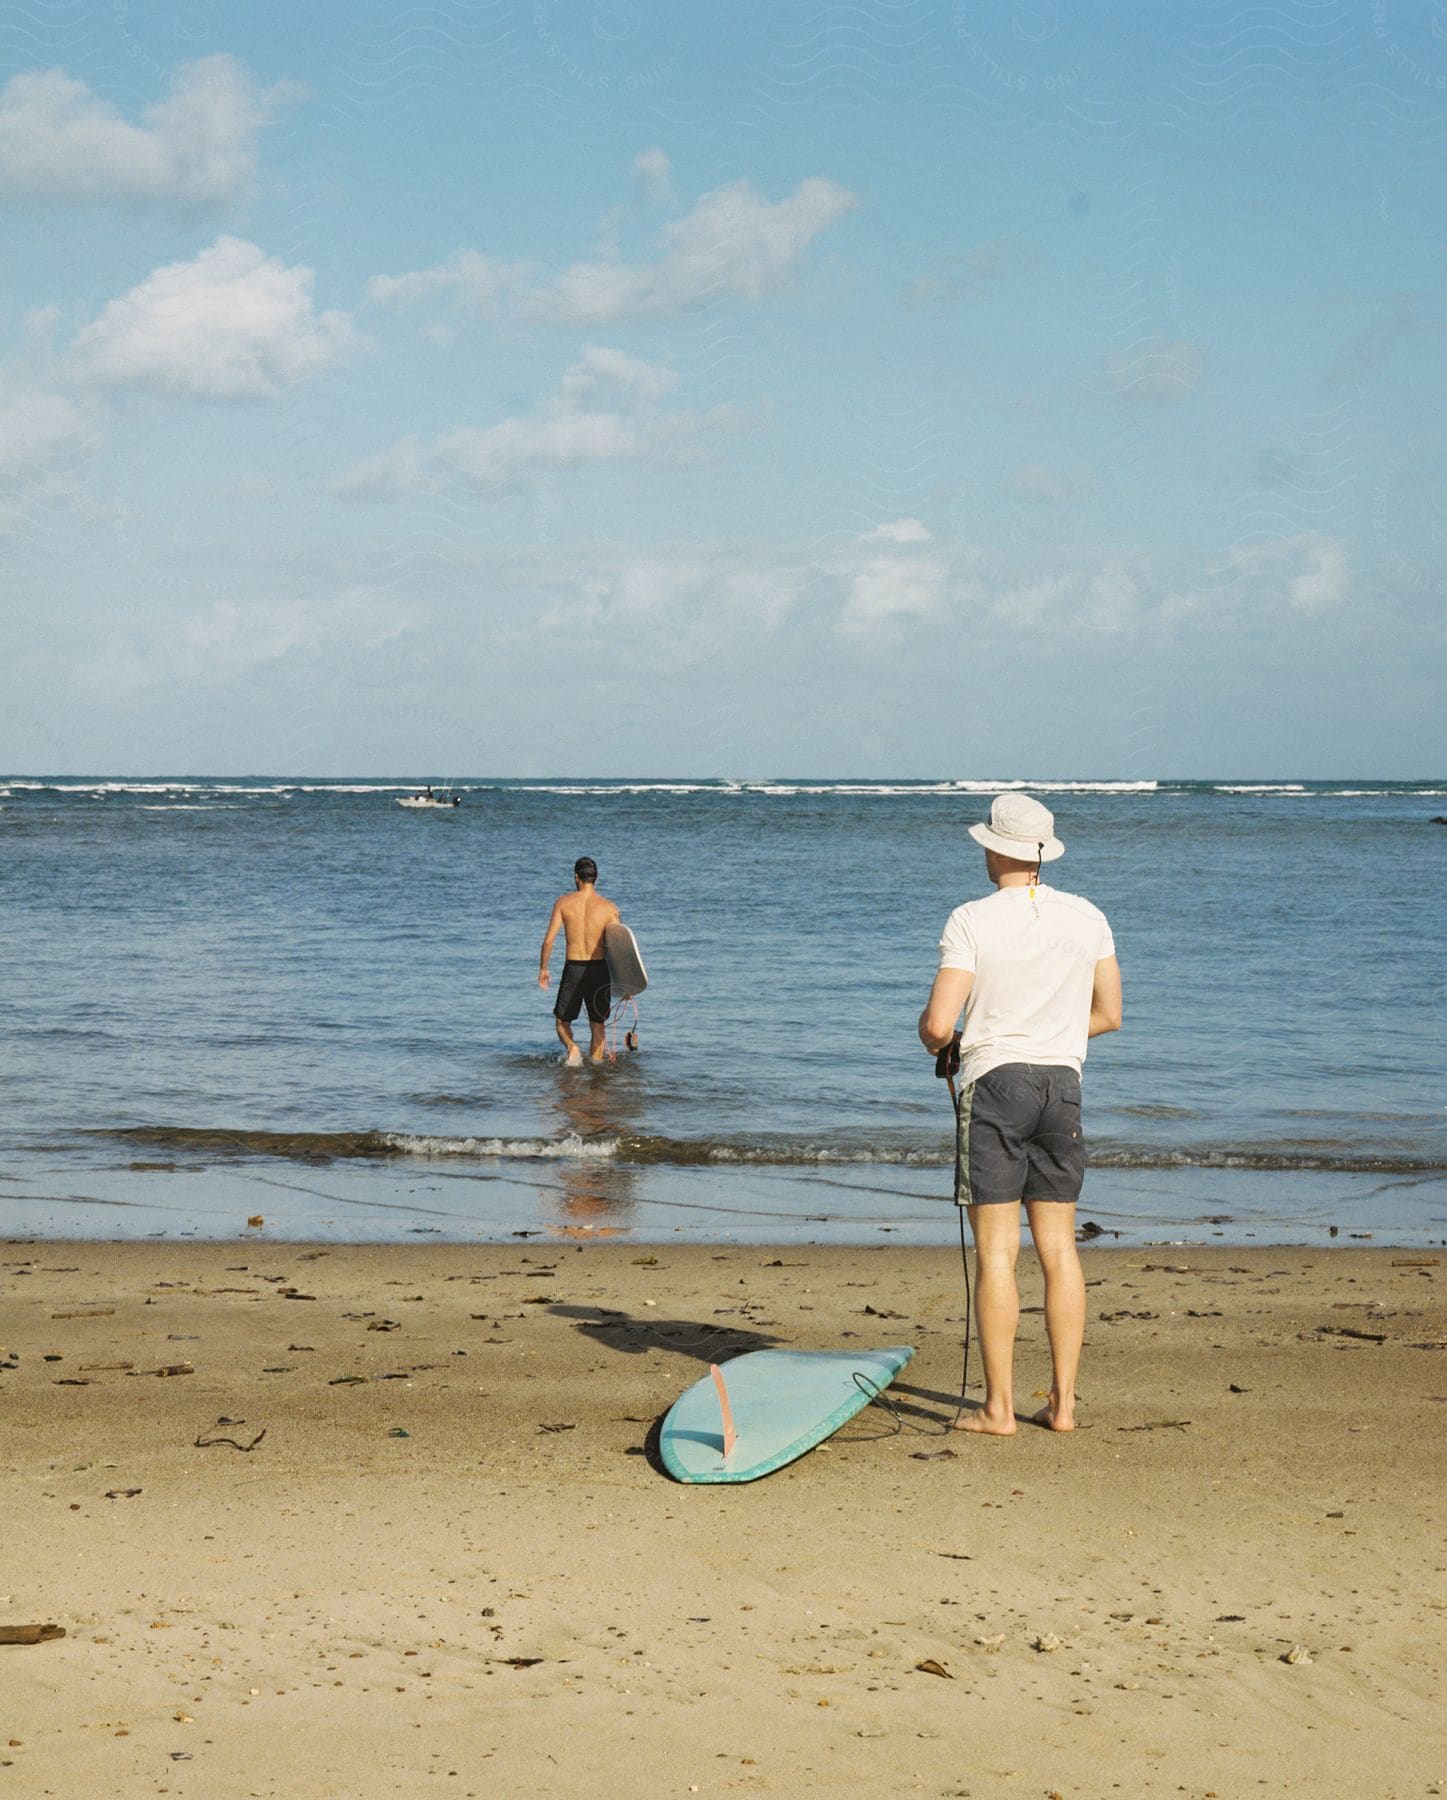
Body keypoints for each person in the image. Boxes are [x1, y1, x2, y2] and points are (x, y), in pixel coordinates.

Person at [917, 793, 1122, 1435]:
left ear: (998, 849)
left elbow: (936, 1024)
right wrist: (1053, 1031)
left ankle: (999, 1407)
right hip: (1063, 1085)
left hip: (997, 1085)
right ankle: (1063, 1405)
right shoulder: (1088, 916)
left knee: (998, 1255)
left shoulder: (971, 919)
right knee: (1059, 1249)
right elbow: (1110, 1015)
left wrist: (950, 1045)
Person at [538, 857, 620, 1067]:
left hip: (573, 968)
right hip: (599, 970)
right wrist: (627, 983)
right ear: (596, 878)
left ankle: (572, 1048)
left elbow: (548, 941)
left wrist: (543, 969)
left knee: (561, 1022)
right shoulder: (609, 908)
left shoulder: (564, 903)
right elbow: (620, 950)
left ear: (576, 877)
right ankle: (596, 1073)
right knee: (598, 1025)